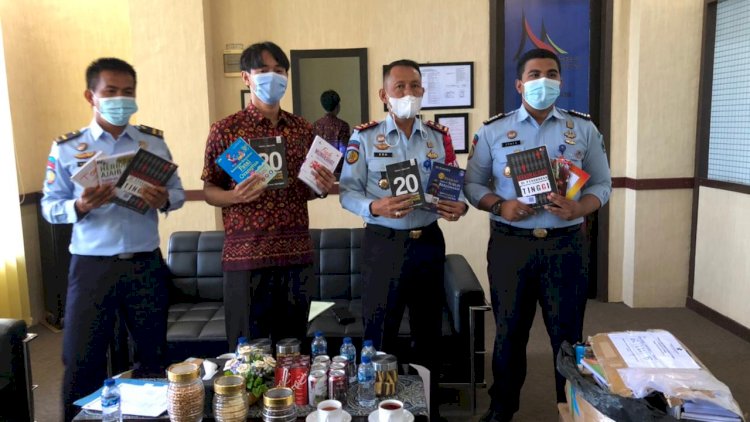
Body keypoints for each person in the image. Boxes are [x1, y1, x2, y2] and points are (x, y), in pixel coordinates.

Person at [463, 48, 612, 422]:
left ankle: (573, 409)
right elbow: (472, 184)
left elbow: (603, 184)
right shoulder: (493, 131)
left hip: (566, 246)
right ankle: (502, 409)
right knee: (509, 333)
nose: (543, 81)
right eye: (534, 75)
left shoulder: (584, 129)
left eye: (551, 74)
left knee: (568, 336)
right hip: (511, 246)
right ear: (519, 84)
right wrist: (500, 205)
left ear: (560, 81)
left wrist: (580, 207)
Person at [41, 57, 185, 420]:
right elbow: (49, 206)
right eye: (111, 91)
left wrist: (163, 199)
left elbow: (178, 192)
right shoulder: (68, 147)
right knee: (81, 358)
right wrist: (79, 205)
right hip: (92, 267)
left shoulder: (152, 143)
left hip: (145, 265)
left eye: (128, 92)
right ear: (91, 96)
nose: (120, 99)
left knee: (153, 356)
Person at [339, 59, 467, 420]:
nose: (408, 93)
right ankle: (380, 411)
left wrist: (459, 206)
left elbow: (452, 186)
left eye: (415, 86)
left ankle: (428, 409)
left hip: (428, 242)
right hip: (384, 244)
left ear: (423, 91)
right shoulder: (364, 137)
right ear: (384, 95)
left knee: (428, 333)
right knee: (381, 332)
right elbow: (347, 193)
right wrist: (374, 206)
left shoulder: (439, 137)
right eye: (400, 87)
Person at [201, 41, 335, 352]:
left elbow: (307, 189)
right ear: (246, 77)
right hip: (246, 259)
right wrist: (235, 196)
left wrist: (321, 187)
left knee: (293, 352)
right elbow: (210, 190)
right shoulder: (226, 130)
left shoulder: (303, 129)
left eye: (279, 70)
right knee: (249, 355)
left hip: (296, 258)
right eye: (263, 70)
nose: (272, 77)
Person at [312, 90, 351, 176]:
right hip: (337, 173)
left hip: (319, 171)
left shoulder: (315, 125)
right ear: (337, 106)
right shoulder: (343, 125)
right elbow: (345, 152)